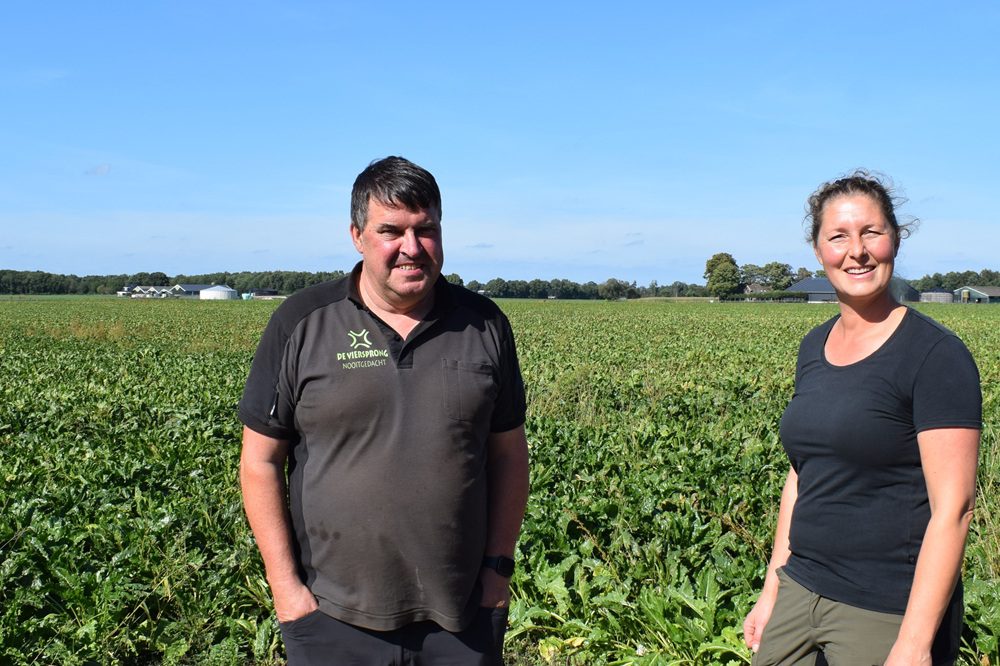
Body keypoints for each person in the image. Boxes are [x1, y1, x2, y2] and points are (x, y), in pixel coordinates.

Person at [238, 156, 530, 665]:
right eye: (391, 231)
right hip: (331, 616)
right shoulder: (302, 323)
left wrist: (496, 576)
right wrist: (286, 591)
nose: (411, 249)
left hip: (462, 618)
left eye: (427, 230)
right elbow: (259, 462)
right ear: (356, 235)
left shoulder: (484, 325)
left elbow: (509, 457)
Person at [743, 170, 981, 665]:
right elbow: (802, 475)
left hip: (884, 608)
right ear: (818, 251)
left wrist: (914, 645)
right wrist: (772, 591)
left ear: (895, 238)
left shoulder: (936, 356)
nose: (857, 251)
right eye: (839, 237)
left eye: (871, 232)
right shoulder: (814, 347)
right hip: (800, 590)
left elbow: (953, 510)